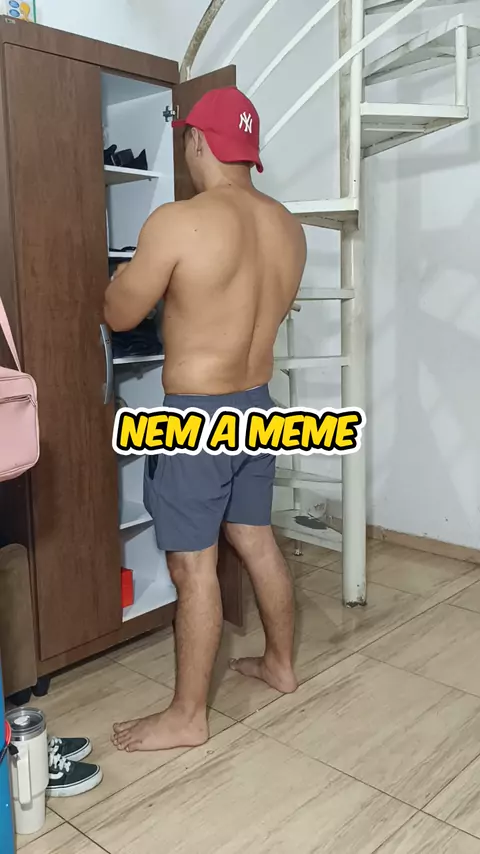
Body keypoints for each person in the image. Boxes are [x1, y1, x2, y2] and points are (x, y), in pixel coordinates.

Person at [104, 86, 307, 753]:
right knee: (255, 538)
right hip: (257, 404)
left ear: (197, 141)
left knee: (194, 567)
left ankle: (188, 716)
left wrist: (121, 279)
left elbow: (119, 314)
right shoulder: (287, 227)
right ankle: (280, 665)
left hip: (198, 417)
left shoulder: (178, 222)